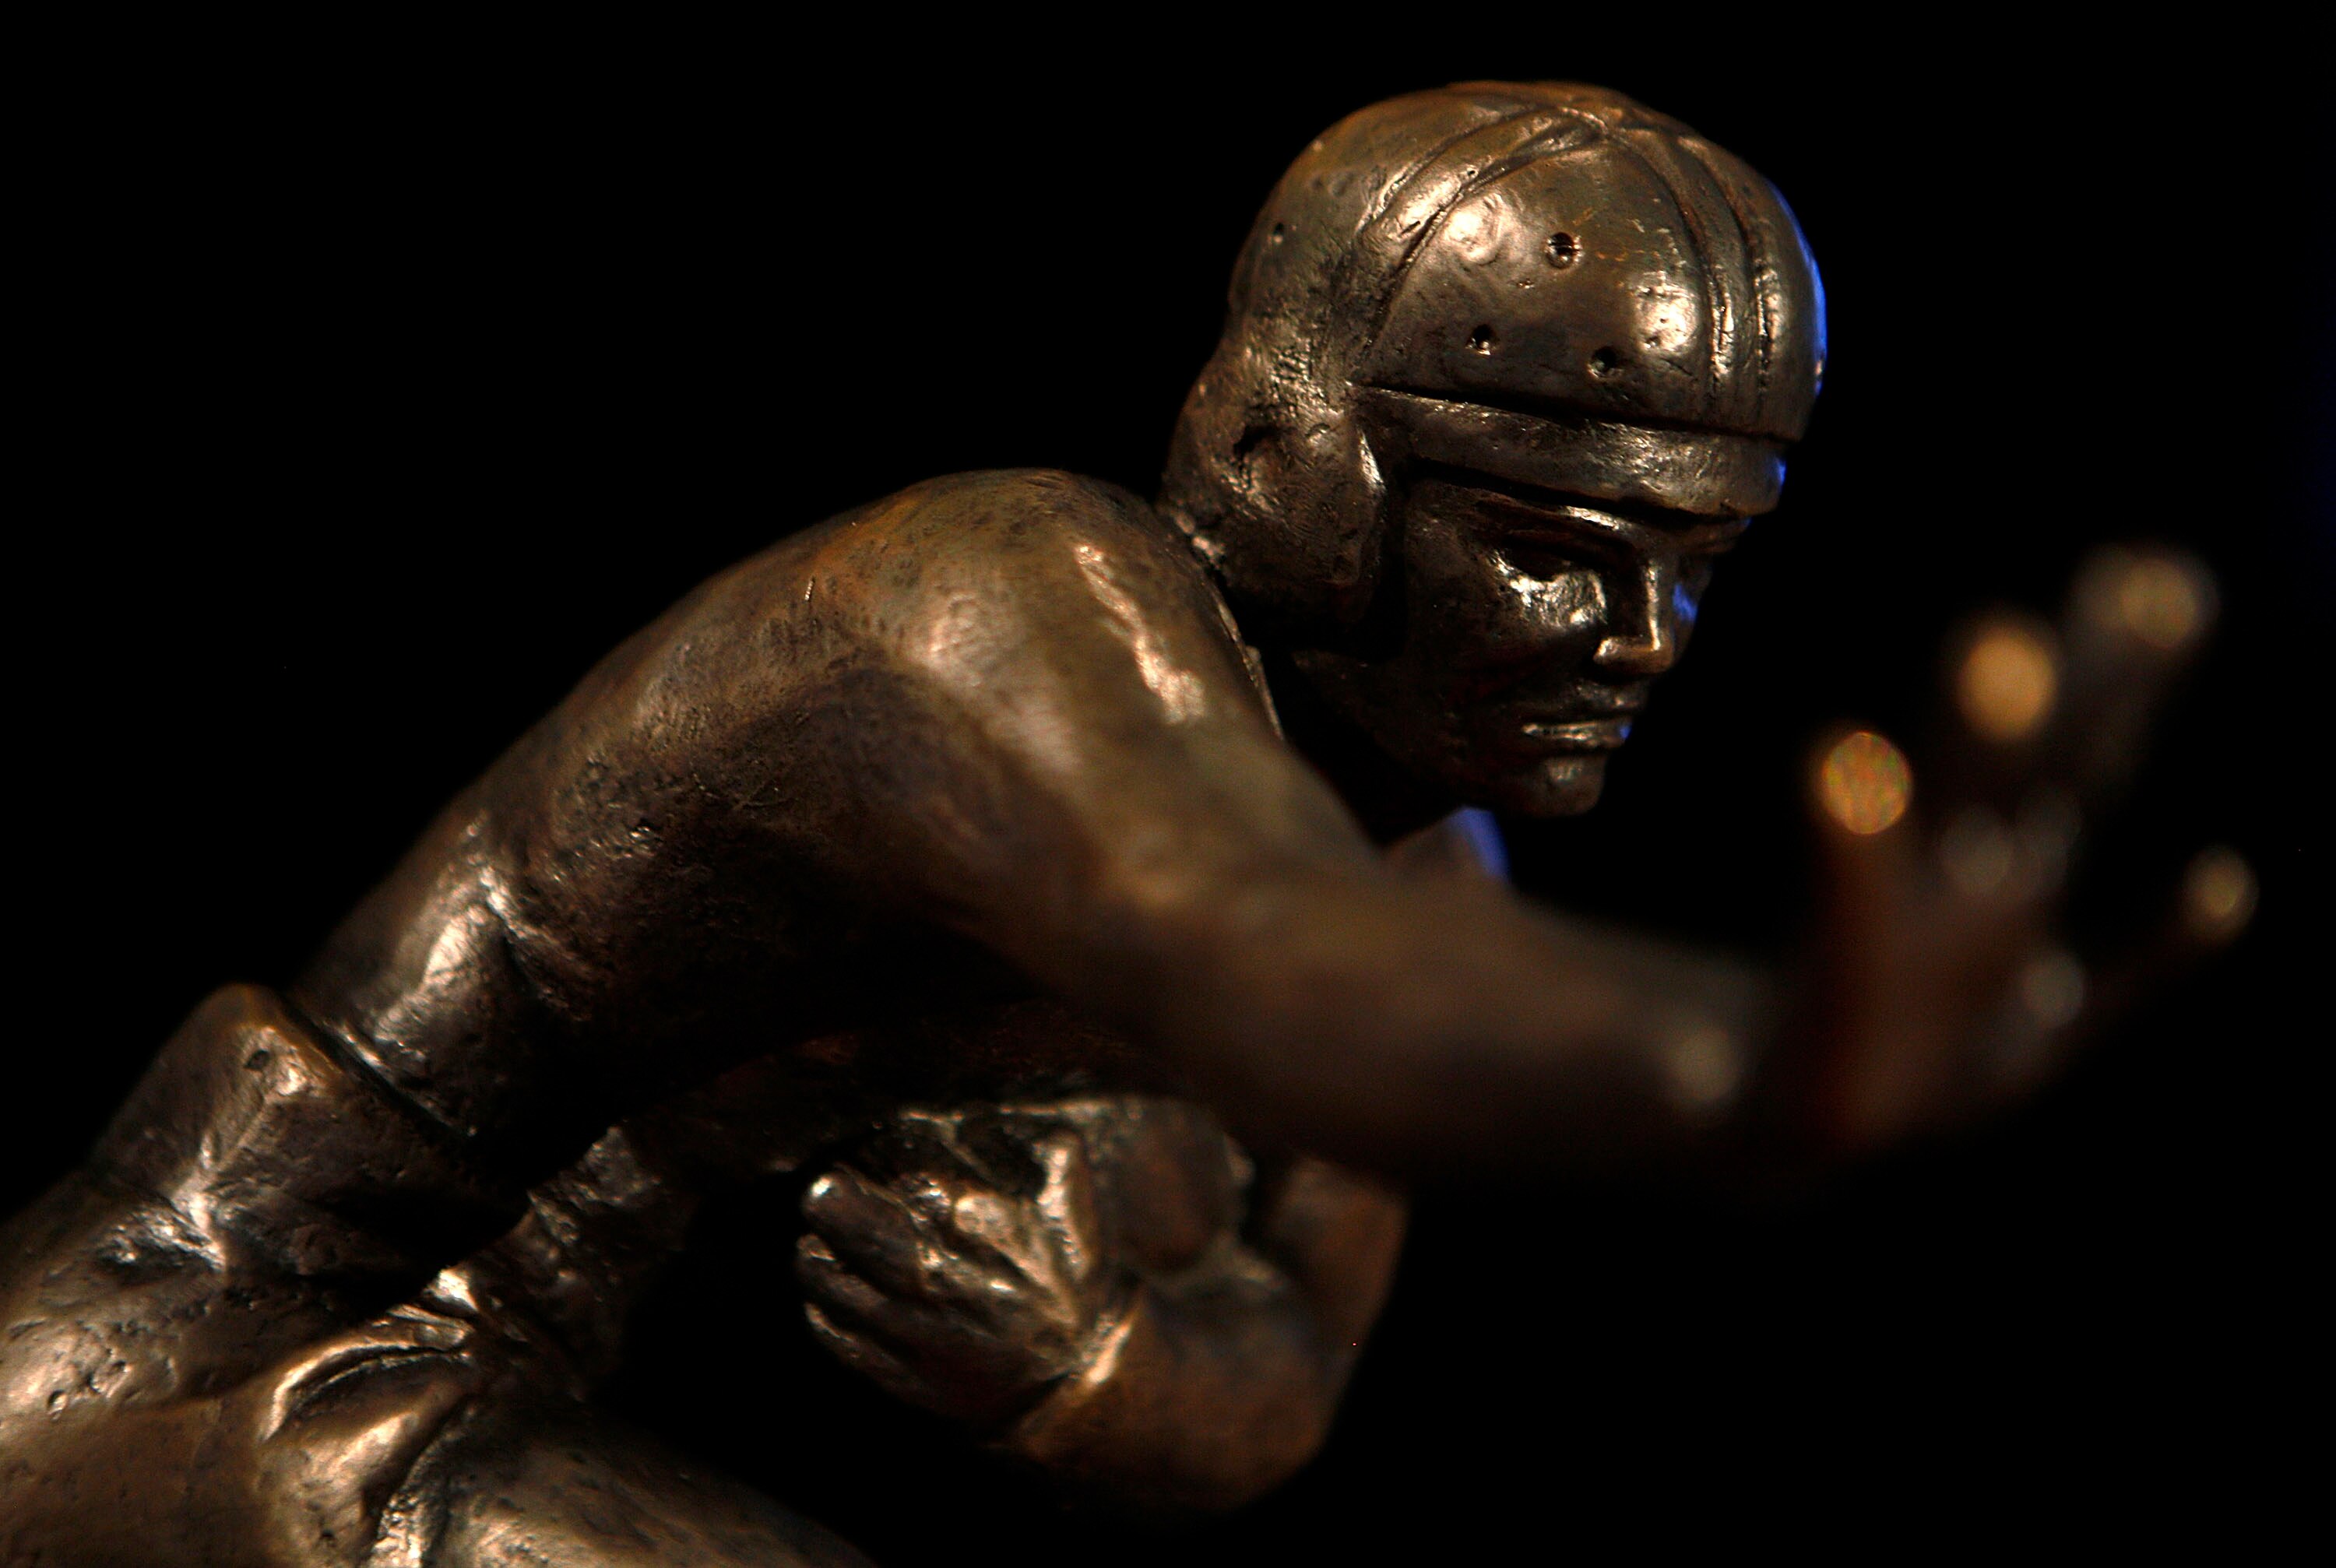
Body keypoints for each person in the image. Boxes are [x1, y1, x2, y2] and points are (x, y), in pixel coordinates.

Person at [0, 82, 2220, 1566]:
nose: (1639, 634)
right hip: (229, 1357)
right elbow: (1223, 934)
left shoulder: (1434, 879)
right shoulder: (994, 609)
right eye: (1554, 546)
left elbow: (1291, 1350)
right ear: (1303, 465)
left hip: (486, 1429)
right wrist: (1735, 1059)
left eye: (1697, 571)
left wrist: (1098, 1369)